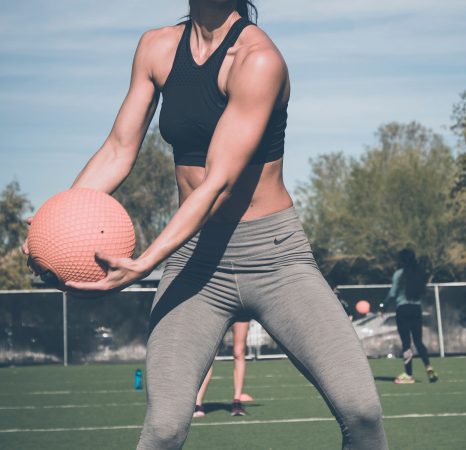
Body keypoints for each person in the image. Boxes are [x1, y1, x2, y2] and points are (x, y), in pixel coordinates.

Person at [23, 2, 389, 449]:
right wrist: (56, 223)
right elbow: (119, 148)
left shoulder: (258, 59)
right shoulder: (155, 48)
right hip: (195, 264)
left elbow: (217, 184)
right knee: (163, 429)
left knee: (362, 412)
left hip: (275, 259)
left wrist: (144, 263)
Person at [381, 248, 438, 384]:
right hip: (416, 309)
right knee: (418, 341)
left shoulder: (399, 274)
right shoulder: (419, 273)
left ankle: (408, 374)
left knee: (406, 343)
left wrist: (384, 305)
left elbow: (393, 293)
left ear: (401, 260)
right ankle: (428, 367)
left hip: (403, 309)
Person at [193, 320, 254, 418]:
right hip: (218, 311)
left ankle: (237, 401)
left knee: (239, 352)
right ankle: (197, 403)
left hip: (241, 313)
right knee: (209, 354)